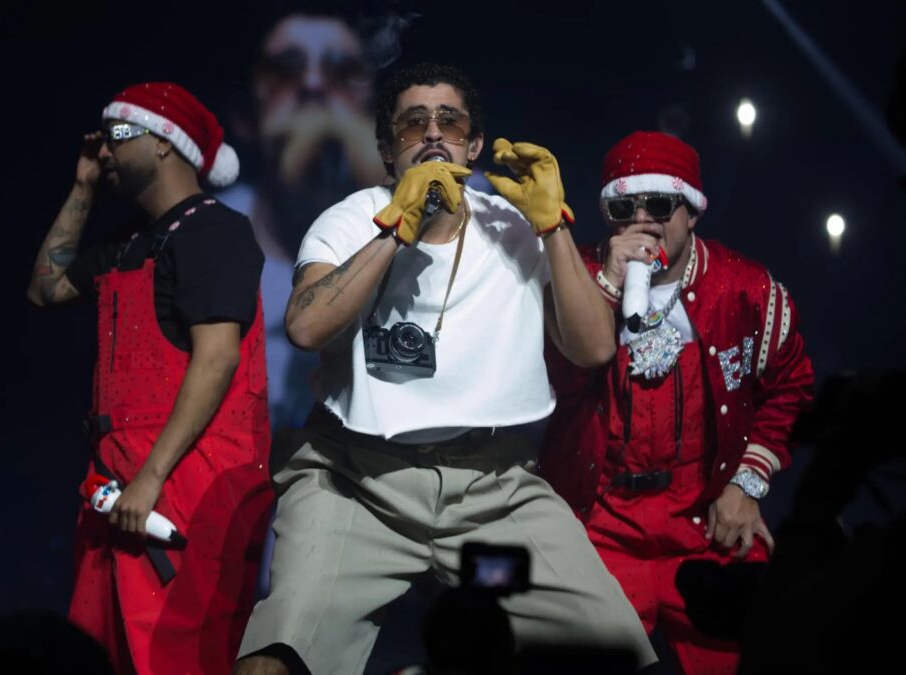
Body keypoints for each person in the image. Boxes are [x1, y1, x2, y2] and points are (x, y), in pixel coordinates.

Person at [234, 63, 656, 675]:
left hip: (492, 498)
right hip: (357, 487)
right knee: (276, 659)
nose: (433, 134)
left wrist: (552, 225)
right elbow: (304, 327)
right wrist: (395, 231)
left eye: (450, 123)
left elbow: (592, 349)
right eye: (413, 123)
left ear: (473, 145)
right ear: (387, 148)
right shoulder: (351, 220)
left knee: (610, 648)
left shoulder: (512, 226)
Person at [539, 131, 814, 674]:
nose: (642, 221)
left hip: (703, 518)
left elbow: (790, 387)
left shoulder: (746, 290)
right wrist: (608, 287)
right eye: (624, 209)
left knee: (762, 644)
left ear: (692, 212)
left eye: (660, 205)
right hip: (600, 520)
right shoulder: (576, 281)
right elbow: (552, 385)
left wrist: (745, 484)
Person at [27, 82, 273, 674]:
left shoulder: (214, 231)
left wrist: (151, 478)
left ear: (165, 142)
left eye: (117, 134)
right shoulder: (127, 244)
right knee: (100, 652)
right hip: (119, 481)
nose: (104, 149)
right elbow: (46, 289)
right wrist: (83, 185)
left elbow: (217, 359)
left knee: (174, 655)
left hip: (185, 481)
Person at [220, 9, 386, 430]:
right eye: (286, 71)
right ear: (244, 115)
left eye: (343, 73)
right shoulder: (209, 234)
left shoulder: (447, 207)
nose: (313, 87)